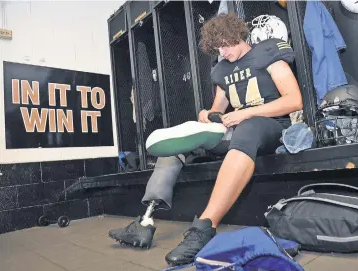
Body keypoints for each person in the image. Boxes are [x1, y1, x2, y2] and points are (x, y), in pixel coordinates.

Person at [108, 13, 303, 266]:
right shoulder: (221, 70)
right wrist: (206, 115)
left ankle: (204, 227)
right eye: (217, 47)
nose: (223, 51)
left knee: (248, 128)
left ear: (237, 34)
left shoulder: (267, 52)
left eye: (226, 44)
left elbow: (293, 100)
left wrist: (245, 113)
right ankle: (145, 221)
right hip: (238, 130)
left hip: (271, 127)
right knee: (177, 144)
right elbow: (217, 112)